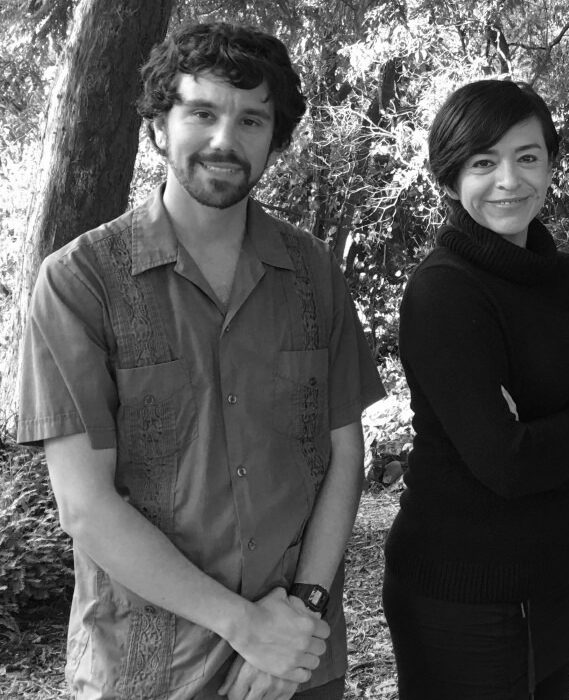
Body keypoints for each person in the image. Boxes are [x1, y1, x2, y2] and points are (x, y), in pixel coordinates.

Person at [17, 22, 385, 700]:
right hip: (142, 672)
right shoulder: (81, 282)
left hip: (294, 669)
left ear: (275, 138)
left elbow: (341, 456)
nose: (225, 139)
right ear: (159, 126)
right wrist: (245, 627)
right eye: (202, 113)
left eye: (251, 120)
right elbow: (86, 506)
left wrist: (298, 618)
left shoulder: (312, 273)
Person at [380, 79, 569, 699]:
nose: (510, 180)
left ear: (550, 165)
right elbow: (506, 465)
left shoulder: (568, 278)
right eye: (484, 162)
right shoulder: (444, 290)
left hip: (555, 578)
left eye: (528, 157)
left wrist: (542, 435)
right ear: (449, 180)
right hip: (461, 598)